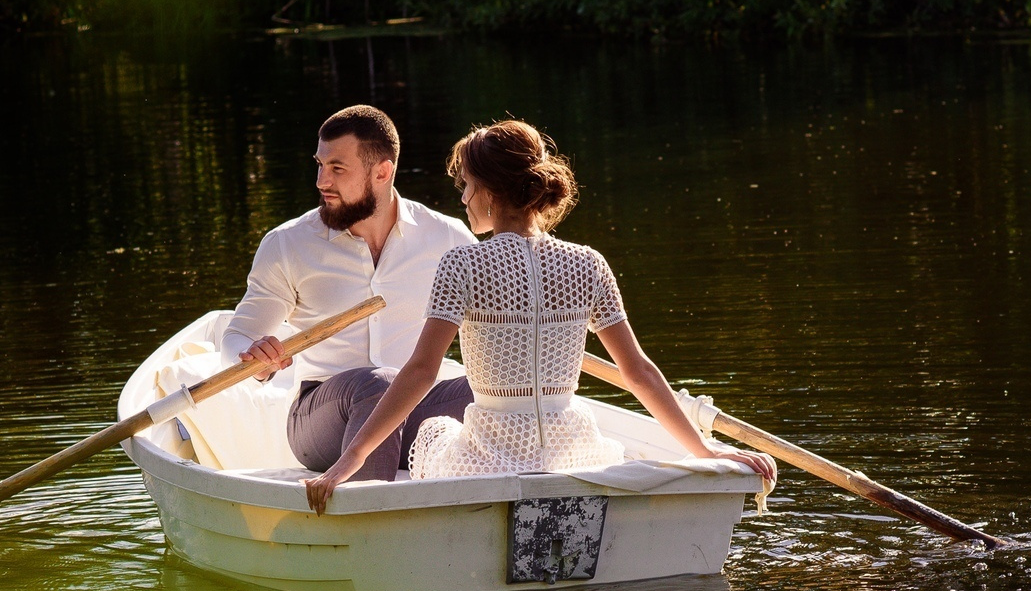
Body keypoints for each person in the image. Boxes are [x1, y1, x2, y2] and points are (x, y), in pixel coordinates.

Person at [303, 120, 776, 512]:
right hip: (572, 448)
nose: (463, 199)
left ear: (489, 191)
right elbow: (639, 372)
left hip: (492, 454)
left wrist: (350, 460)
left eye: (467, 186)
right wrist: (704, 449)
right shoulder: (587, 262)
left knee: (434, 433)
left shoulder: (464, 264)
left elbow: (421, 372)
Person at [225, 105, 476, 479]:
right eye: (320, 164)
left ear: (382, 172)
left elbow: (502, 322)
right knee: (376, 384)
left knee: (498, 386)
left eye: (337, 169)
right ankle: (367, 518)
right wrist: (253, 356)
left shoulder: (447, 238)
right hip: (324, 417)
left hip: (417, 407)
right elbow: (237, 335)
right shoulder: (288, 244)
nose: (321, 181)